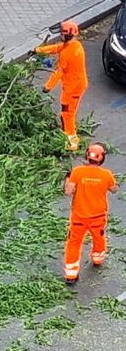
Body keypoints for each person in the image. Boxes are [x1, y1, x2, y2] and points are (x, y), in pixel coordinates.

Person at [61, 142, 118, 284]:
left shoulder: (78, 172)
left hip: (79, 218)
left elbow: (68, 192)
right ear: (102, 158)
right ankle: (97, 259)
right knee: (99, 239)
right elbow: (114, 189)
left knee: (74, 243)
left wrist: (68, 179)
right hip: (98, 217)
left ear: (87, 155)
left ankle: (71, 275)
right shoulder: (106, 175)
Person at [35, 20, 88, 151]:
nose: (60, 36)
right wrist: (39, 51)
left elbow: (59, 72)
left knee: (67, 114)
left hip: (72, 88)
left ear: (66, 35)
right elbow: (58, 47)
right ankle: (68, 134)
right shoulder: (75, 45)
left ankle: (72, 141)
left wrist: (48, 87)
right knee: (67, 112)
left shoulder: (67, 53)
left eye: (61, 34)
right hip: (75, 84)